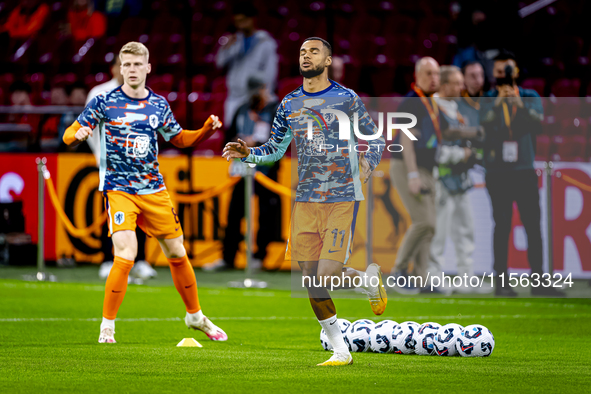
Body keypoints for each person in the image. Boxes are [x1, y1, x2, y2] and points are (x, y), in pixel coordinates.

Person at [222, 37, 387, 366]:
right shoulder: (288, 104)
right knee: (311, 279)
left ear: (328, 60)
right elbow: (275, 150)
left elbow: (376, 136)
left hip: (341, 195)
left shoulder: (346, 98)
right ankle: (341, 349)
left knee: (326, 275)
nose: (306, 55)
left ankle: (367, 281)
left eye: (314, 51)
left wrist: (369, 161)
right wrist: (249, 153)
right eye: (301, 51)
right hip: (306, 199)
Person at [62, 41, 228, 343]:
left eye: (137, 64)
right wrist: (79, 133)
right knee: (126, 253)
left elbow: (178, 139)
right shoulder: (103, 101)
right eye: (126, 65)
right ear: (119, 69)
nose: (132, 70)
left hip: (153, 189)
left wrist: (204, 131)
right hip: (119, 188)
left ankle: (195, 316)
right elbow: (67, 134)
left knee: (177, 253)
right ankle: (107, 327)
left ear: (148, 67)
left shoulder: (158, 104)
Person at [480, 50, 564, 297]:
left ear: (516, 72)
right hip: (497, 172)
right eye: (498, 72)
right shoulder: (489, 98)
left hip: (524, 170)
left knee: (532, 226)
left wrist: (518, 105)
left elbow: (538, 123)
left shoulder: (529, 96)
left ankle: (538, 281)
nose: (503, 77)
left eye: (507, 71)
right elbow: (483, 125)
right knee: (502, 225)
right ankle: (501, 282)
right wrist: (497, 105)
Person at [85, 56, 156, 282]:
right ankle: (108, 260)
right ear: (115, 68)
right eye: (125, 65)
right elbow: (87, 127)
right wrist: (100, 154)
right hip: (110, 166)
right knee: (110, 215)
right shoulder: (100, 93)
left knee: (140, 213)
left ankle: (141, 261)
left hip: (138, 167)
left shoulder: (143, 93)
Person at [202, 80, 282, 272]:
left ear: (265, 89)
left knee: (266, 215)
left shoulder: (275, 111)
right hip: (241, 172)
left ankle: (260, 257)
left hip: (266, 171)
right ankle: (228, 257)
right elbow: (227, 136)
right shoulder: (241, 110)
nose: (256, 94)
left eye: (259, 89)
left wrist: (258, 143)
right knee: (234, 214)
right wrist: (237, 144)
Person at [428, 66, 482, 294]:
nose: (462, 87)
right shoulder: (432, 109)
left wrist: (470, 153)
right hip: (440, 178)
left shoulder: (456, 108)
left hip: (459, 178)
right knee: (438, 232)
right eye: (457, 82)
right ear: (444, 84)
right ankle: (434, 278)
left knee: (465, 229)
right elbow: (434, 149)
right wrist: (462, 155)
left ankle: (466, 278)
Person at [389, 57, 441, 294]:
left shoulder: (431, 102)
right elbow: (406, 142)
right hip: (407, 166)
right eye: (429, 74)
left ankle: (422, 278)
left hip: (426, 168)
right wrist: (412, 174)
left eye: (437, 74)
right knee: (424, 222)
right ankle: (398, 271)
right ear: (417, 76)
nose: (434, 79)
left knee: (430, 227)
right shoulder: (412, 102)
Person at [215, 2, 278, 125]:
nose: (240, 24)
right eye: (237, 21)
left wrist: (265, 96)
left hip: (254, 97)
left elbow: (271, 72)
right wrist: (226, 47)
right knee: (232, 135)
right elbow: (219, 63)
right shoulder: (234, 41)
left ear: (252, 19)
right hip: (234, 95)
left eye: (243, 20)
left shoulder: (265, 41)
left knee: (251, 137)